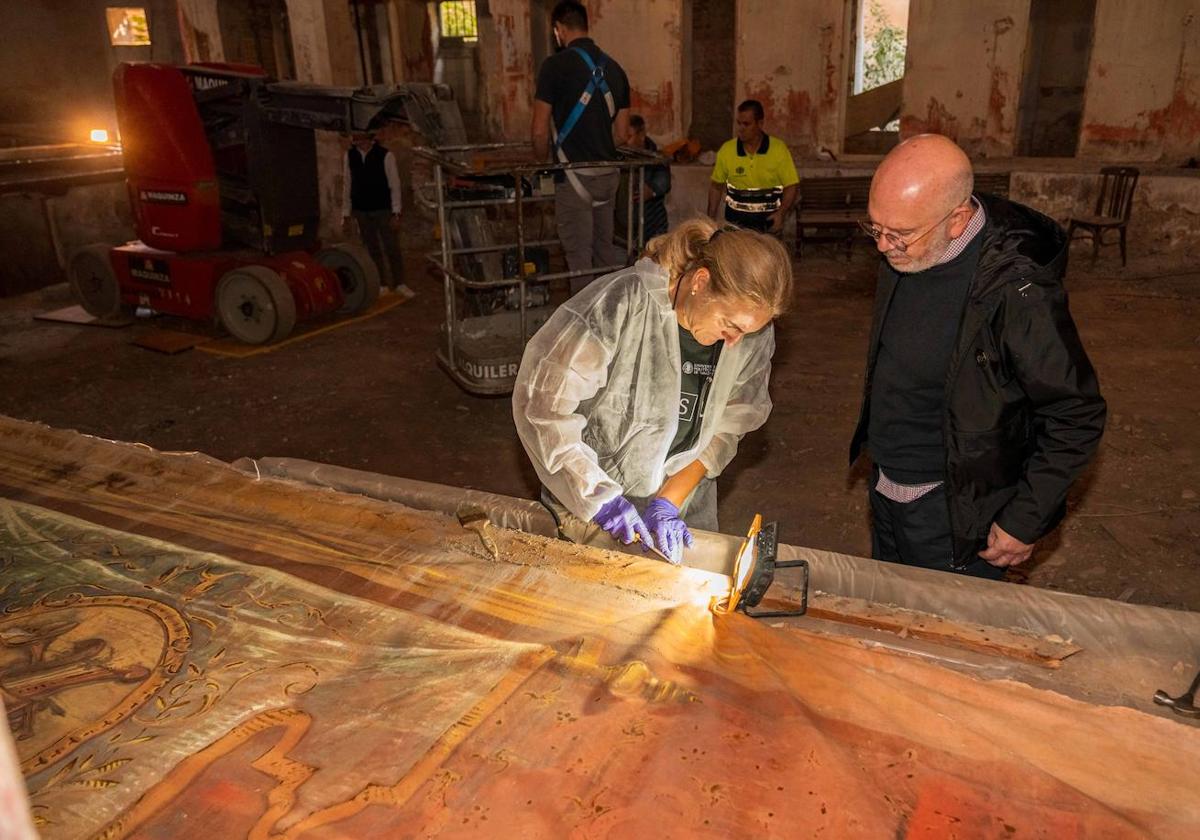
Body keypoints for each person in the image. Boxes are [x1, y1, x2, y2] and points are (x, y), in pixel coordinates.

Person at [849, 133, 1106, 579]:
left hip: (954, 511)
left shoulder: (1018, 292)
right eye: (875, 227)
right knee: (888, 625)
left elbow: (1076, 413)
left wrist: (1026, 518)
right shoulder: (908, 247)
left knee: (944, 638)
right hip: (887, 488)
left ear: (957, 220)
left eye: (900, 235)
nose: (883, 246)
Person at [512, 219, 793, 562]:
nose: (736, 341)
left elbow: (729, 426)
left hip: (684, 498)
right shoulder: (618, 306)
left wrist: (667, 502)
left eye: (747, 332)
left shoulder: (751, 333)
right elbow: (542, 408)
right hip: (590, 493)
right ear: (700, 282)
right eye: (730, 325)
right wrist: (599, 498)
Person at [531, 1, 631, 294]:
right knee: (604, 254)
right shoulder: (615, 69)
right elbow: (623, 134)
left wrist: (541, 163)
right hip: (609, 176)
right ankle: (608, 323)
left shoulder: (554, 67)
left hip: (574, 177)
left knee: (578, 261)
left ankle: (582, 332)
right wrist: (598, 143)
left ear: (559, 29)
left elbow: (539, 130)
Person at [707, 100, 798, 235]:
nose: (741, 128)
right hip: (735, 228)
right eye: (739, 123)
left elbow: (791, 186)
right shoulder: (727, 150)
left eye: (746, 124)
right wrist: (710, 221)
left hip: (768, 228)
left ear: (760, 124)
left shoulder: (778, 150)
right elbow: (716, 187)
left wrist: (781, 213)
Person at [341, 130, 413, 298]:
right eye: (356, 139)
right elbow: (347, 184)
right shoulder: (350, 156)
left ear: (370, 139)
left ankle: (400, 283)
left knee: (391, 247)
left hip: (383, 209)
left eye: (361, 138)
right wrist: (345, 213)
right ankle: (382, 284)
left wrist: (396, 213)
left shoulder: (385, 155)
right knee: (372, 248)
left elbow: (395, 185)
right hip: (361, 210)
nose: (359, 142)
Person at [627, 114, 670, 240]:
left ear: (641, 135)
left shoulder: (656, 158)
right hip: (621, 235)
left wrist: (651, 191)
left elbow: (663, 182)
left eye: (629, 136)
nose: (624, 141)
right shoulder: (617, 156)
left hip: (652, 230)